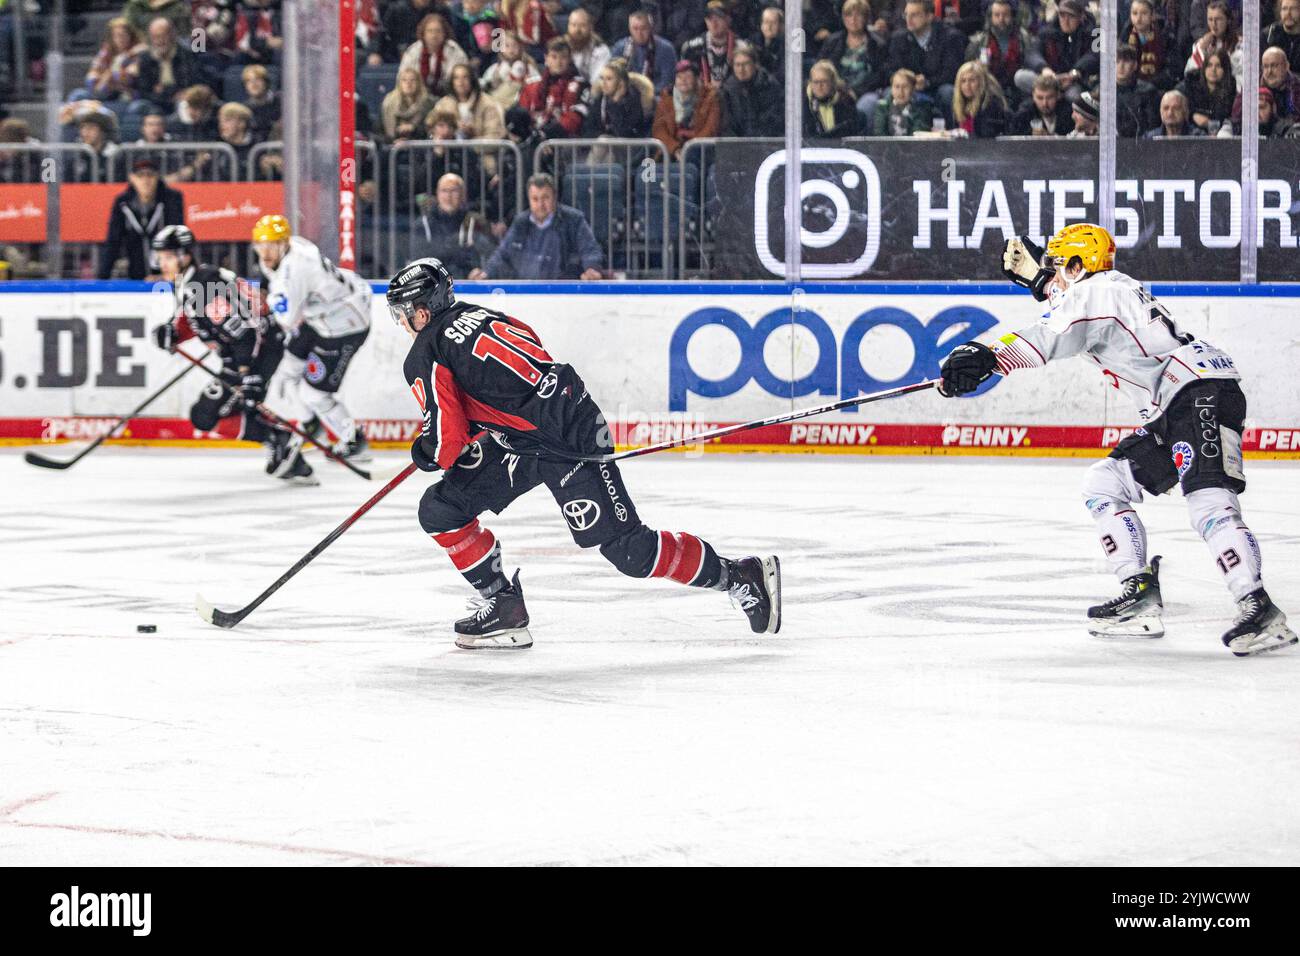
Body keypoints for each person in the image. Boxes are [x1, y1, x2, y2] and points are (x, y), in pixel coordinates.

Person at [937, 223, 1297, 658]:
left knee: (1208, 500)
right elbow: (1067, 308)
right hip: (1177, 403)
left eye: (1057, 265)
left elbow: (1053, 333)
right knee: (1104, 483)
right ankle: (1139, 593)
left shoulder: (1100, 290)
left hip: (1197, 391)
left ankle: (1257, 606)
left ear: (1077, 265)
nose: (1052, 273)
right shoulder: (1101, 291)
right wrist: (1040, 283)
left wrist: (989, 358)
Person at [386, 257, 782, 649]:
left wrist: (425, 451)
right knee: (442, 508)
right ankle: (504, 607)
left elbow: (445, 443)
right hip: (538, 432)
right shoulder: (483, 314)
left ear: (421, 312)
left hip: (564, 442)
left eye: (402, 313)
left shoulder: (424, 353)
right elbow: (524, 358)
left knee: (629, 551)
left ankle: (739, 575)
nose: (402, 322)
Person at [149, 224, 316, 485]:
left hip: (259, 349)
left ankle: (281, 441)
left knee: (212, 413)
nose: (163, 263)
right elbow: (194, 319)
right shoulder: (191, 282)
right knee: (214, 413)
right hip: (247, 353)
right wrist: (172, 333)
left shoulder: (201, 286)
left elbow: (244, 334)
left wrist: (247, 373)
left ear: (185, 255)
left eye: (168, 257)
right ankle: (282, 444)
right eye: (160, 257)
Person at [252, 215, 374, 463]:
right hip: (319, 317)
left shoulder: (295, 270)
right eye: (260, 245)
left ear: (283, 243)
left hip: (343, 327)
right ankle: (311, 425)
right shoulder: (292, 247)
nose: (265, 252)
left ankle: (353, 440)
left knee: (313, 394)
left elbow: (286, 319)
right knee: (286, 372)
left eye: (271, 245)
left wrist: (262, 312)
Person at [469, 173, 603, 280]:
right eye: (535, 198)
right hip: (527, 293)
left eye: (545, 197)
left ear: (555, 197)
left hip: (563, 292)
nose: (540, 204)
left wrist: (592, 268)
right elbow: (503, 254)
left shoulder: (573, 219)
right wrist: (486, 273)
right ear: (529, 199)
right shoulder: (521, 222)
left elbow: (590, 249)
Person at [99, 158, 184, 279]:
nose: (146, 181)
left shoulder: (172, 199)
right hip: (135, 271)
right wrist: (102, 278)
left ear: (157, 177)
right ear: (132, 178)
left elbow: (177, 239)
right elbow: (113, 241)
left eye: (150, 175)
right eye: (140, 176)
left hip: (167, 274)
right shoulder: (123, 203)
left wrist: (164, 276)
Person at [885, 0, 966, 115]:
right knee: (889, 93)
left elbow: (951, 72)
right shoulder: (899, 38)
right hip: (907, 88)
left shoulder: (950, 37)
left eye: (914, 15)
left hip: (936, 88)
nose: (908, 19)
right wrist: (907, 80)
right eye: (906, 14)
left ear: (929, 17)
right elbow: (891, 68)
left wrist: (927, 82)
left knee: (948, 92)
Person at [819, 0, 890, 125]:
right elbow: (821, 68)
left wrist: (856, 91)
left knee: (867, 105)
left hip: (865, 92)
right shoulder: (832, 42)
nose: (853, 19)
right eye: (849, 15)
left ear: (866, 18)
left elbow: (880, 75)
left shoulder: (877, 44)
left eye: (858, 15)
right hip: (835, 90)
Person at [412, 173, 495, 277]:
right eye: (444, 191)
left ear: (463, 194)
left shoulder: (475, 222)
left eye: (454, 190)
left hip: (469, 285)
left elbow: (490, 255)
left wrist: (480, 273)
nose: (448, 196)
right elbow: (420, 261)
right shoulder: (423, 224)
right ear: (437, 194)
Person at [965, 0, 1041, 110]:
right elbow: (968, 69)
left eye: (1005, 15)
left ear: (1012, 16)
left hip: (1018, 88)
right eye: (997, 15)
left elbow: (1031, 63)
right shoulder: (978, 41)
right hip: (989, 88)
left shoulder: (1025, 39)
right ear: (990, 17)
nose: (1001, 19)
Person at [516, 38, 590, 140]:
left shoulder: (581, 85)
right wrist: (534, 136)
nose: (558, 62)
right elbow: (521, 115)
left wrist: (545, 135)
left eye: (563, 57)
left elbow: (574, 119)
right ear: (546, 58)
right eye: (554, 57)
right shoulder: (530, 85)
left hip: (566, 142)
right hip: (533, 139)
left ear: (569, 59)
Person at [652, 60, 722, 157]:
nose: (683, 80)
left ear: (697, 79)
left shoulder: (710, 98)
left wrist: (690, 148)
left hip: (701, 151)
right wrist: (675, 149)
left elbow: (711, 128)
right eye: (679, 77)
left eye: (688, 76)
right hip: (671, 153)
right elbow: (659, 130)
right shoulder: (665, 100)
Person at [399, 10, 469, 96]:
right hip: (418, 96)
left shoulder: (454, 50)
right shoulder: (413, 50)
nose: (434, 35)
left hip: (448, 95)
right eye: (430, 31)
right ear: (423, 34)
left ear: (444, 33)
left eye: (438, 31)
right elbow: (402, 76)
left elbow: (461, 78)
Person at [720, 43, 783, 138]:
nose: (741, 69)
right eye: (737, 65)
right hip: (737, 145)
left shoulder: (770, 86)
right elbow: (727, 123)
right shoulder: (728, 90)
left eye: (745, 64)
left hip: (766, 142)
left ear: (755, 65)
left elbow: (774, 118)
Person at [609, 9, 677, 93]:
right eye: (635, 28)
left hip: (655, 96)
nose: (639, 33)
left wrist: (645, 94)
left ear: (651, 27)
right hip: (625, 96)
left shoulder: (666, 49)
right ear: (629, 28)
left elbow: (667, 82)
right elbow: (611, 75)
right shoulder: (620, 48)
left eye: (643, 28)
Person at [583, 58, 651, 139]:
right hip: (604, 147)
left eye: (609, 79)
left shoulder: (633, 100)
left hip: (630, 148)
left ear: (620, 82)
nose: (603, 83)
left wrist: (615, 103)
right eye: (601, 78)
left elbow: (623, 132)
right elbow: (588, 130)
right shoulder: (600, 100)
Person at [1121, 0, 1179, 91]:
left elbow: (1173, 68)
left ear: (1152, 16)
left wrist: (1151, 84)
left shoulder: (1165, 37)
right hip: (1130, 87)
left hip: (1158, 87)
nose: (1138, 19)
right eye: (1134, 13)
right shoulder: (1125, 36)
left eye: (1144, 13)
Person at [680, 0, 739, 88]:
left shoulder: (741, 47)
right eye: (709, 19)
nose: (714, 23)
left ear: (728, 19)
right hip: (701, 97)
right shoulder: (690, 48)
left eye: (718, 18)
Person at [1178, 48, 1236, 134]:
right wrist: (1192, 115)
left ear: (1225, 69)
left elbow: (1225, 118)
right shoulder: (1190, 84)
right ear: (1204, 67)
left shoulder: (1231, 90)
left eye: (1218, 66)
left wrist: (1208, 123)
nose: (1213, 70)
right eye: (1209, 65)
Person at [946, 60, 1007, 138]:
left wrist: (957, 134)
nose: (967, 85)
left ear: (981, 82)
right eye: (963, 81)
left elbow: (986, 135)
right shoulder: (959, 103)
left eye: (972, 80)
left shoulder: (990, 103)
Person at [1186, 1, 1243, 82]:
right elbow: (1189, 71)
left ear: (1228, 20)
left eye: (1218, 19)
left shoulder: (1240, 44)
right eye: (1210, 19)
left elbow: (1241, 76)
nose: (1213, 24)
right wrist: (1201, 49)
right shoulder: (1202, 44)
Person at [382, 66, 437, 145]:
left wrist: (413, 129)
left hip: (420, 149)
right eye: (404, 80)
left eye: (412, 80)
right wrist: (392, 141)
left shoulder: (428, 104)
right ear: (399, 83)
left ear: (419, 83)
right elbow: (379, 132)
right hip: (392, 148)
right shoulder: (388, 104)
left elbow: (431, 130)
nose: (408, 83)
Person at [871, 67, 934, 135]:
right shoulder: (882, 107)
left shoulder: (923, 107)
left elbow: (918, 135)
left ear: (913, 89)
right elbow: (879, 135)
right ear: (891, 89)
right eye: (897, 87)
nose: (900, 92)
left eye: (905, 87)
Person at [1117, 44, 1162, 138]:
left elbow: (1152, 126)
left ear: (1135, 65)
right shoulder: (1101, 92)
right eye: (1116, 61)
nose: (1121, 66)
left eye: (1126, 61)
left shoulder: (1148, 92)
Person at [1008, 73, 1074, 136]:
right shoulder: (1023, 116)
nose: (1044, 103)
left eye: (1050, 97)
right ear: (1033, 96)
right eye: (1040, 98)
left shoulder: (1070, 113)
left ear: (1058, 95)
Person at [565, 6, 610, 85]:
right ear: (568, 26)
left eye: (582, 25)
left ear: (590, 27)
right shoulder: (563, 45)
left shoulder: (600, 50)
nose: (577, 30)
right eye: (573, 25)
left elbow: (597, 83)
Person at [1262, 0, 1300, 74]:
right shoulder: (1269, 35)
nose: (1288, 13)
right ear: (1280, 12)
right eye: (1284, 9)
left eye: (1293, 9)